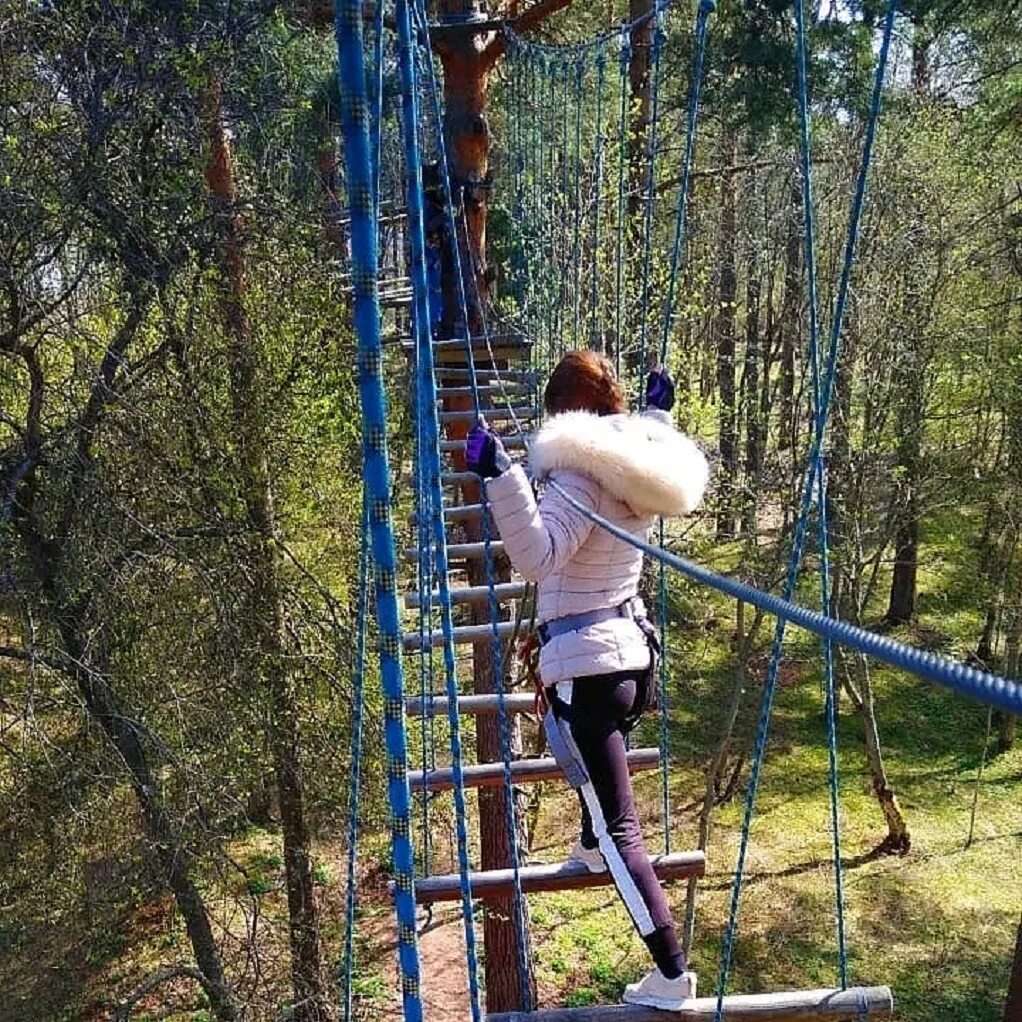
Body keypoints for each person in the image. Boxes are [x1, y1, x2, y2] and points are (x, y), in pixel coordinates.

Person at [465, 350, 708, 1010]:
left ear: (562, 415)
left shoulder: (577, 476)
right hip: (628, 661)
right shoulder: (638, 458)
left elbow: (539, 556)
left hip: (590, 669)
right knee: (571, 746)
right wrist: (661, 412)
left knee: (620, 827)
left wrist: (499, 474)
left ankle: (671, 973)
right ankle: (587, 842)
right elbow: (640, 438)